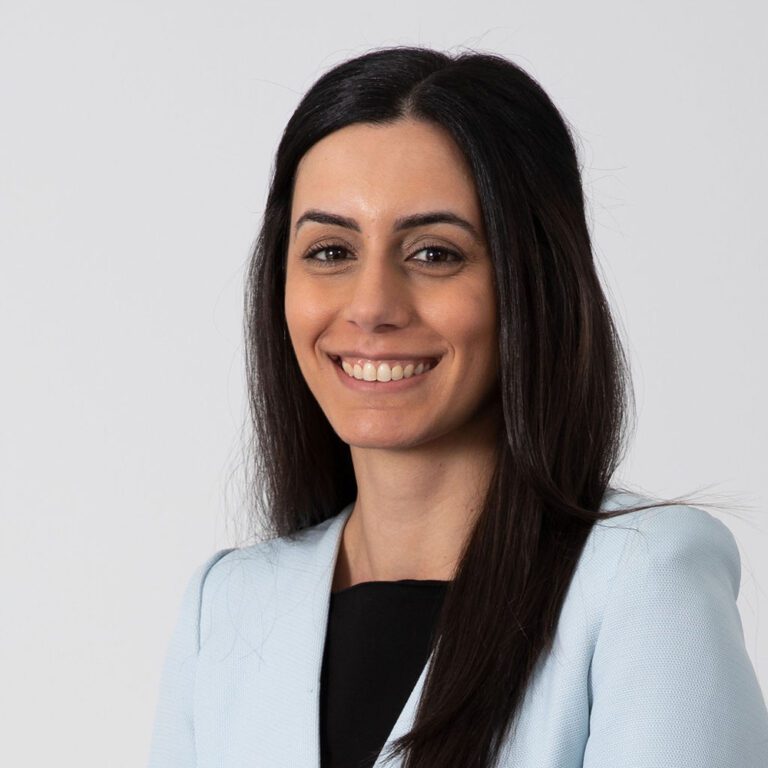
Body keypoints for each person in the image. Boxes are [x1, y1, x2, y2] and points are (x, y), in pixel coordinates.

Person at [147, 46, 768, 768]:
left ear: (532, 283)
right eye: (331, 251)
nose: (371, 306)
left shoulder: (642, 581)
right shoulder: (227, 607)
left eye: (434, 253)